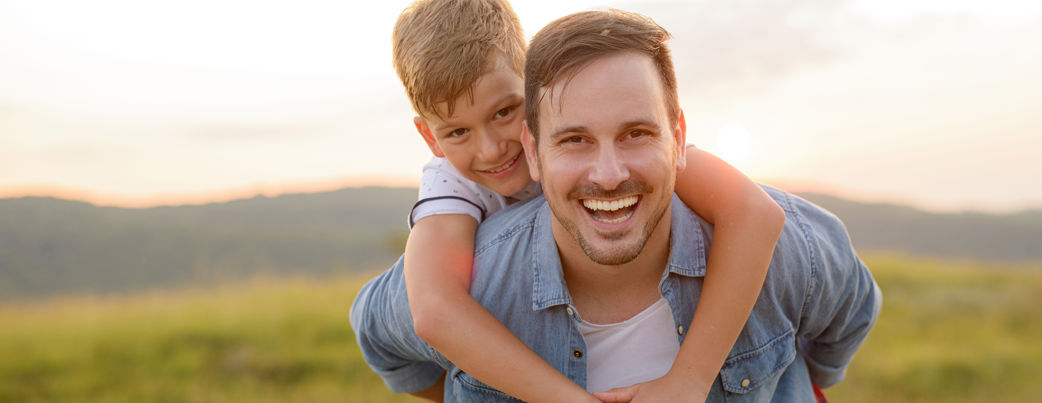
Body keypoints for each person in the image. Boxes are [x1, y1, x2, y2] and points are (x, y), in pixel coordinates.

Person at [351, 7, 882, 402]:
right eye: (459, 131)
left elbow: (760, 219)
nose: (492, 148)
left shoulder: (649, 156)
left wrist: (691, 379)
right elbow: (427, 314)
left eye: (506, 111)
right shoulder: (456, 206)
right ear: (431, 138)